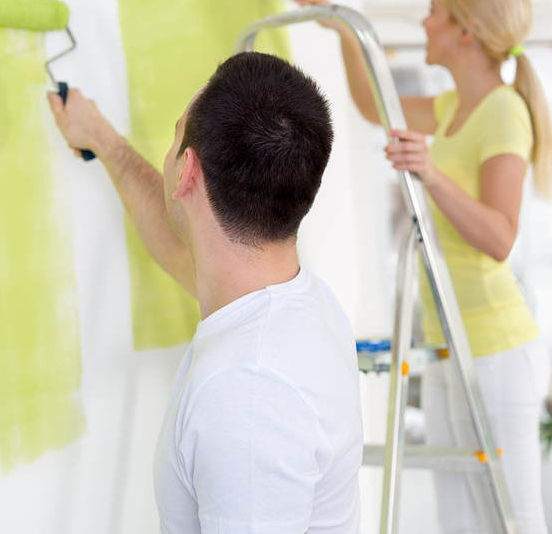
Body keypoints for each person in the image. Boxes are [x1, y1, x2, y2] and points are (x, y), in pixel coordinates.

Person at [48, 52, 362, 533]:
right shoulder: (291, 297)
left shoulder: (247, 393)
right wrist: (104, 140)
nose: (172, 147)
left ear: (187, 173)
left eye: (177, 135)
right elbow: (182, 247)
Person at [300, 0, 552, 532]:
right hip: (449, 345)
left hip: (497, 351)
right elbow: (371, 105)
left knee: (513, 519)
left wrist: (432, 173)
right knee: (459, 520)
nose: (424, 20)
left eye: (435, 10)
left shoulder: (503, 112)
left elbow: (499, 237)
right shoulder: (452, 109)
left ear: (466, 31)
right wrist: (344, 32)